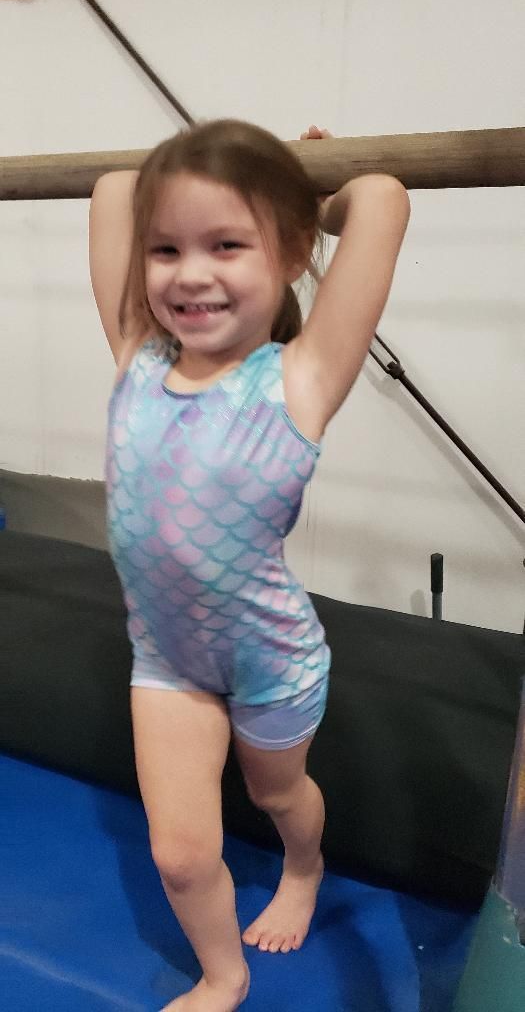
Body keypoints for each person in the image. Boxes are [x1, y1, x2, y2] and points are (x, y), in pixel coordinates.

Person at [89, 119, 410, 1012]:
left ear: (291, 254)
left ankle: (303, 868)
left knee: (278, 795)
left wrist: (313, 192)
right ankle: (223, 975)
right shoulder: (136, 354)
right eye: (166, 250)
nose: (190, 273)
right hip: (167, 661)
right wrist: (236, 198)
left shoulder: (297, 379)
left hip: (272, 656)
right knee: (179, 854)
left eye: (226, 245)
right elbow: (114, 189)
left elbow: (383, 199)